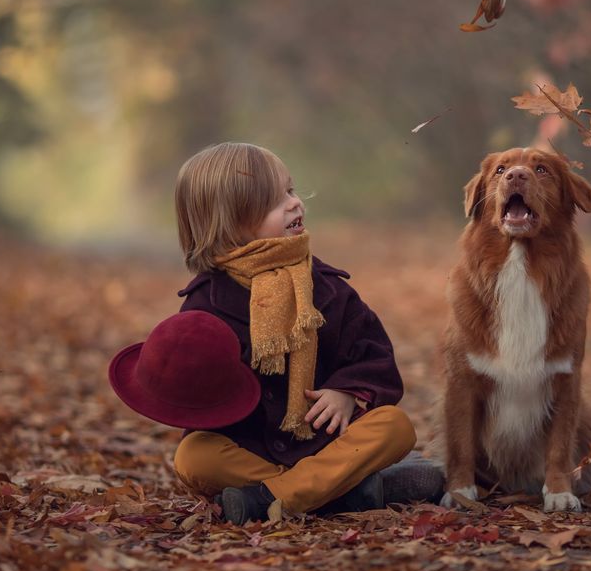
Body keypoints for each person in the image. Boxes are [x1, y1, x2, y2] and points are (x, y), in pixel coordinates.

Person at [171, 141, 443, 524]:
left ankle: (268, 499)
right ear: (230, 222)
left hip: (326, 440)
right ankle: (337, 493)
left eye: (291, 190)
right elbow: (197, 393)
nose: (294, 204)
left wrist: (347, 392)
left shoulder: (328, 288)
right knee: (193, 455)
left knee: (395, 428)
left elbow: (374, 355)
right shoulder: (206, 304)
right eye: (274, 201)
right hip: (253, 446)